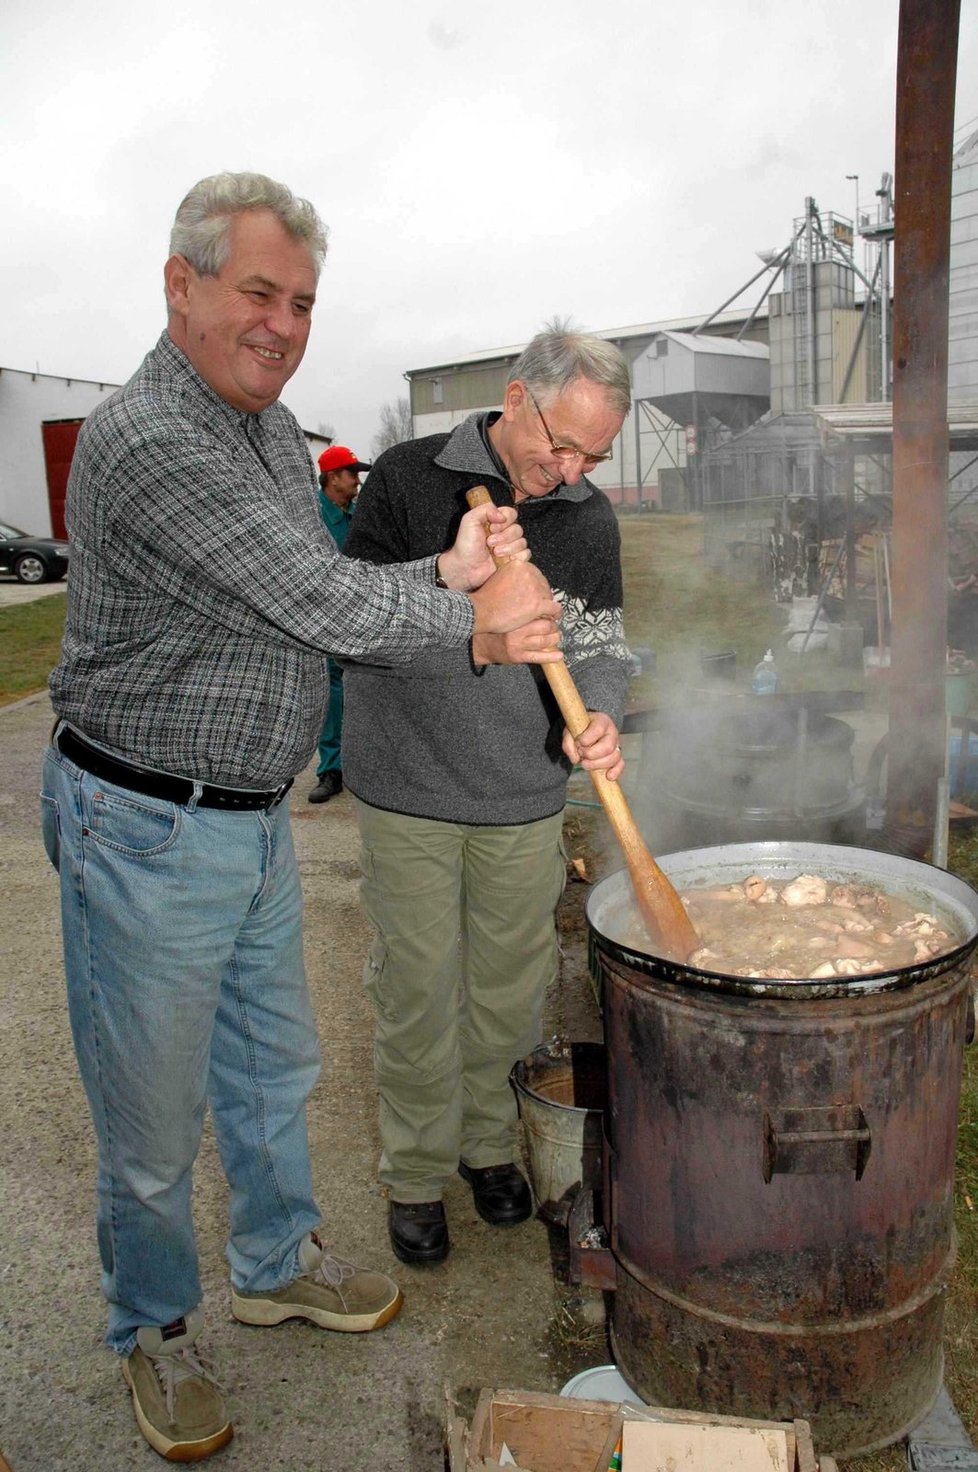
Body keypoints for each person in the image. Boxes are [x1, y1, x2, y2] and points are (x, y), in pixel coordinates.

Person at [40, 171, 562, 1463]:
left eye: (304, 302)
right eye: (258, 292)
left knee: (273, 1076)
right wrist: (485, 625)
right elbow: (329, 615)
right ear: (182, 283)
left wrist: (449, 569)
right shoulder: (151, 440)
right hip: (143, 824)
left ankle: (275, 1266)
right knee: (153, 1129)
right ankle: (153, 1332)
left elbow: (319, 588)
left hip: (249, 817)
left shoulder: (270, 436)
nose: (283, 323)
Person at [341, 324, 632, 1266]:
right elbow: (355, 623)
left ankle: (481, 1147)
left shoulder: (586, 516)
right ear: (516, 398)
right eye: (560, 444)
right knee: (419, 993)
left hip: (524, 793)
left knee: (509, 996)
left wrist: (602, 717)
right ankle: (416, 1172)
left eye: (595, 453)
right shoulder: (406, 475)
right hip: (411, 788)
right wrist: (474, 620)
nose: (573, 468)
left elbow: (602, 648)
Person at [308, 444, 371, 804]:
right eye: (351, 474)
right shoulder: (312, 517)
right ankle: (331, 769)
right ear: (333, 478)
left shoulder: (359, 514)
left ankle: (366, 766)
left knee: (366, 690)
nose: (357, 481)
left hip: (361, 615)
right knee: (332, 695)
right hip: (325, 619)